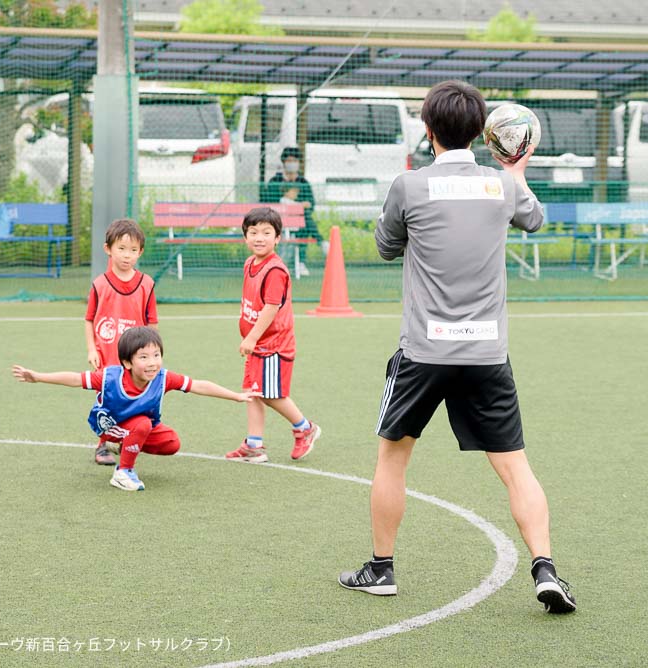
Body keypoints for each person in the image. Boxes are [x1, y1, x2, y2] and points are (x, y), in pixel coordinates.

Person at [338, 80, 576, 614]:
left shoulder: (410, 185)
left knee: (392, 459)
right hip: (487, 355)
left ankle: (380, 569)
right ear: (480, 133)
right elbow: (535, 219)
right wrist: (514, 171)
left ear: (427, 131)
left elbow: (383, 247)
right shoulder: (502, 186)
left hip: (424, 352)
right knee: (516, 466)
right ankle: (545, 568)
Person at [14, 327, 255, 492]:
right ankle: (123, 472)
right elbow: (76, 379)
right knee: (142, 424)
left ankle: (124, 446)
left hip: (137, 428)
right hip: (111, 426)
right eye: (144, 357)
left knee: (171, 443)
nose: (152, 362)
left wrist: (235, 396)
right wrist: (38, 377)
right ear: (127, 363)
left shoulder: (163, 378)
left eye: (156, 355)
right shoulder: (110, 378)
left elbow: (198, 385)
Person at [225, 207, 321, 464]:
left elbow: (271, 307)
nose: (259, 237)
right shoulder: (250, 264)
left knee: (270, 394)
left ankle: (304, 428)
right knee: (252, 392)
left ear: (277, 237)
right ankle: (254, 445)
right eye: (253, 232)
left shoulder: (275, 270)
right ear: (245, 236)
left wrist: (252, 337)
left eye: (267, 232)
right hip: (259, 344)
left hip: (274, 345)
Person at [84, 218, 159, 466]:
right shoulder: (100, 284)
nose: (127, 256)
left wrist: (152, 354)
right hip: (107, 354)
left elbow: (152, 323)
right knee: (107, 398)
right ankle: (102, 443)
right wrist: (92, 348)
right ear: (108, 249)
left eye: (133, 250)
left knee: (133, 396)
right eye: (121, 249)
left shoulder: (146, 284)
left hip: (135, 357)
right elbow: (89, 320)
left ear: (140, 252)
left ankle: (129, 437)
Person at [260, 146, 327, 276]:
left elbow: (310, 204)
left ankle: (301, 262)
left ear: (299, 163)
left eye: (295, 161)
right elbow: (268, 201)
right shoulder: (275, 181)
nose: (292, 164)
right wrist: (286, 199)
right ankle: (321, 241)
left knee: (304, 219)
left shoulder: (303, 183)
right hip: (277, 220)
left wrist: (299, 205)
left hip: (298, 221)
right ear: (284, 162)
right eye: (289, 161)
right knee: (304, 217)